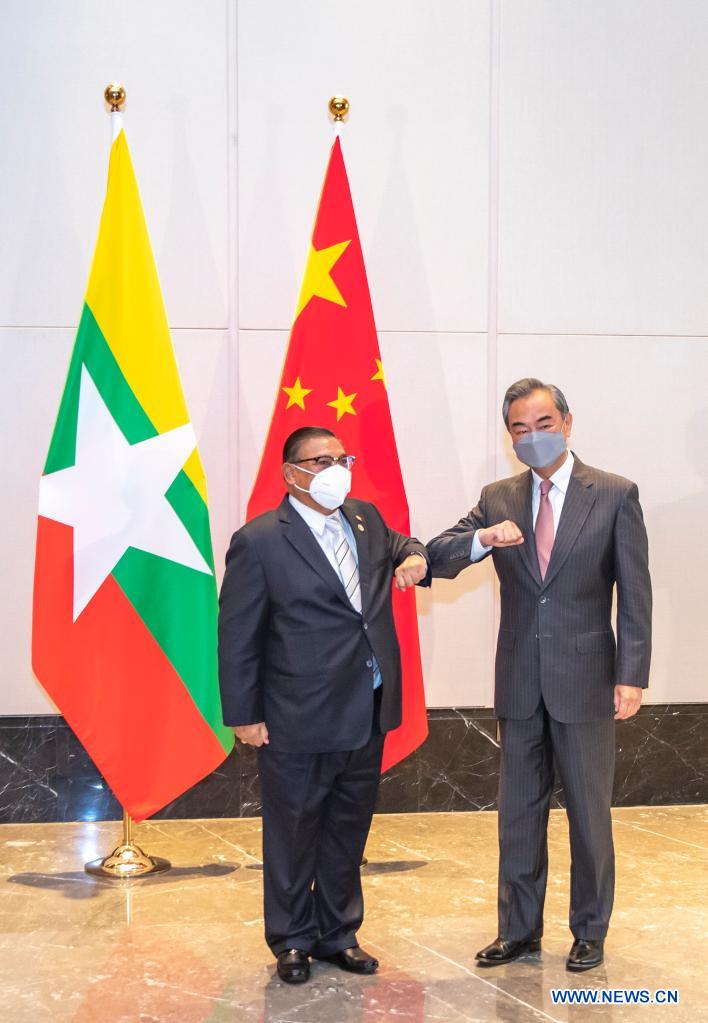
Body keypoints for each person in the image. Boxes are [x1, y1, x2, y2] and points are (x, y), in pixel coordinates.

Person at [426, 378, 652, 973]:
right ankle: (518, 930)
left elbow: (635, 592)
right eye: (519, 429)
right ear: (510, 438)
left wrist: (632, 674)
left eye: (543, 424)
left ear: (567, 423)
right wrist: (482, 538)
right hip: (520, 680)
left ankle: (589, 931)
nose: (532, 436)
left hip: (587, 680)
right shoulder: (498, 497)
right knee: (518, 816)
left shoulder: (614, 493)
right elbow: (437, 556)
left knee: (589, 815)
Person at [218, 425, 429, 984]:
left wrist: (413, 554)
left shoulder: (364, 518)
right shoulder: (260, 540)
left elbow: (402, 544)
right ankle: (291, 938)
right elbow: (238, 635)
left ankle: (338, 933)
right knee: (293, 831)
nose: (335, 469)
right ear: (290, 474)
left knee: (347, 829)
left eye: (341, 459)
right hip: (297, 713)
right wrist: (243, 713)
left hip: (367, 706)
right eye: (319, 461)